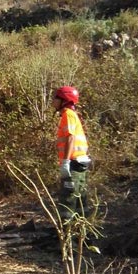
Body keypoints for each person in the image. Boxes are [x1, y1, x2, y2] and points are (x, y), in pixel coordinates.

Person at [52, 86, 91, 220]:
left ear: (64, 100)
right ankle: (82, 237)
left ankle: (68, 237)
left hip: (73, 164)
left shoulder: (68, 114)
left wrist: (65, 162)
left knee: (68, 203)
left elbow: (70, 137)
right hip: (78, 163)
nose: (53, 101)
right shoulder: (70, 115)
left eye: (56, 97)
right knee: (80, 202)